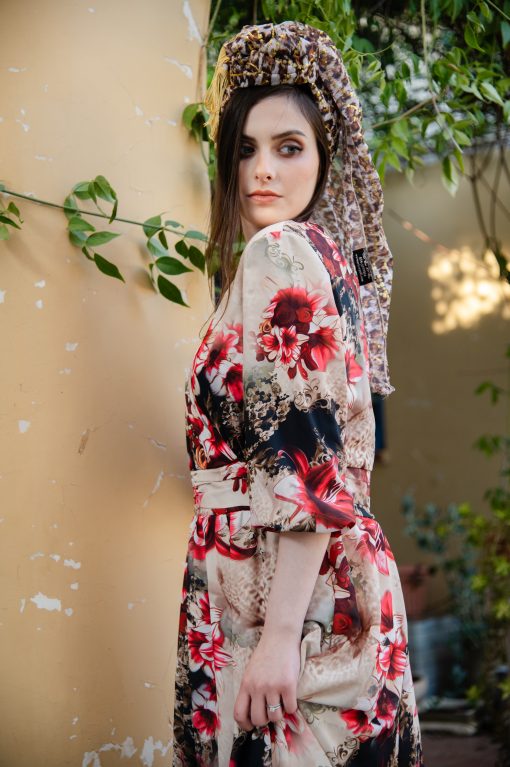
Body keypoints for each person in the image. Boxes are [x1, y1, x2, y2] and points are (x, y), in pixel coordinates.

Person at [172, 20, 424, 767]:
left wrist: (280, 637)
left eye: (289, 147)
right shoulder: (321, 260)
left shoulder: (280, 250)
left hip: (285, 599)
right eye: (246, 149)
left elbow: (307, 461)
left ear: (323, 159)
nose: (263, 171)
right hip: (312, 580)